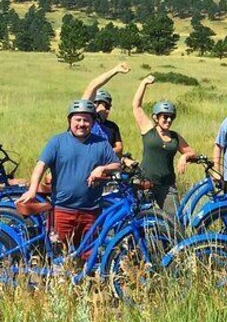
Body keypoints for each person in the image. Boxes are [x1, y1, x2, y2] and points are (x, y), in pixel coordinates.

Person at [16, 99, 121, 248]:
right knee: (61, 253)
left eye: (86, 120)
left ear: (93, 122)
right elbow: (41, 165)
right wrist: (32, 190)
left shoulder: (101, 143)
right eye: (77, 119)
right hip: (62, 209)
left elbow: (117, 164)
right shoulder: (57, 142)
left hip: (91, 211)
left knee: (88, 255)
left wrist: (103, 168)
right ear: (69, 120)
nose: (81, 124)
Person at [132, 75, 196, 215]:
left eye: (171, 117)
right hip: (145, 183)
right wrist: (143, 83)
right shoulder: (149, 129)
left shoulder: (175, 136)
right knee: (140, 218)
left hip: (167, 186)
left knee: (174, 222)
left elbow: (191, 152)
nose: (168, 120)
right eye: (164, 117)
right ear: (156, 117)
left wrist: (184, 157)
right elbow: (136, 107)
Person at [82, 62, 131, 155]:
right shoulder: (83, 121)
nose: (105, 109)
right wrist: (115, 70)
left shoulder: (112, 126)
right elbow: (92, 86)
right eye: (100, 104)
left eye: (108, 106)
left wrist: (104, 153)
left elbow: (119, 147)